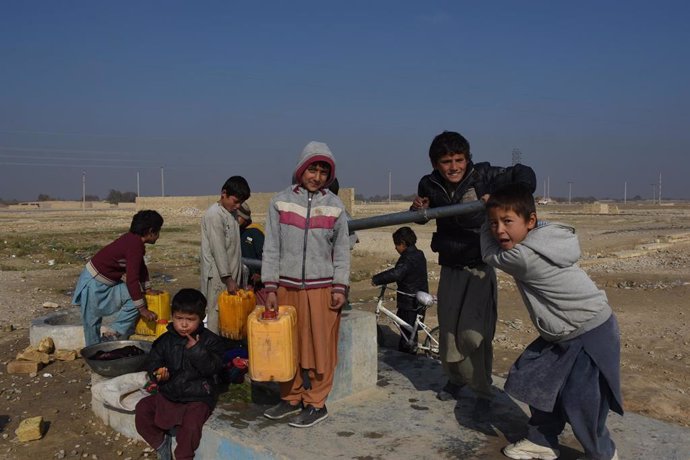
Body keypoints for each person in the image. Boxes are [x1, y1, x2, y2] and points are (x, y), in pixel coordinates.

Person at [481, 184, 622, 460]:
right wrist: (496, 214)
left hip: (590, 331)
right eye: (492, 223)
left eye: (507, 221)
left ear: (530, 222)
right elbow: (513, 230)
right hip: (564, 333)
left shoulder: (524, 256)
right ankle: (542, 440)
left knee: (582, 401)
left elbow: (488, 255)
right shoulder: (546, 236)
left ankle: (604, 454)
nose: (498, 231)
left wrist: (481, 217)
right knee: (533, 376)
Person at [410, 131, 536, 411]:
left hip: (480, 266)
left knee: (474, 334)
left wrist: (503, 197)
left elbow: (524, 173)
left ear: (468, 159)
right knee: (449, 333)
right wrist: (418, 207)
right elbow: (420, 215)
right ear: (435, 164)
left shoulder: (485, 175)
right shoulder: (428, 184)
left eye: (459, 159)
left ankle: (481, 390)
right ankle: (455, 379)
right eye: (446, 161)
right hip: (450, 265)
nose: (454, 167)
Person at [261, 141, 350, 428]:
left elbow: (342, 252)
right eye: (313, 168)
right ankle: (290, 397)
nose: (317, 176)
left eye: (324, 172)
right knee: (288, 345)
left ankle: (316, 403)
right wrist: (270, 287)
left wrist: (340, 287)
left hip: (322, 288)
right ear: (301, 169)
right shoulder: (280, 202)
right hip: (286, 288)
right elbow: (271, 247)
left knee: (322, 348)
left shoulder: (335, 206)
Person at [135, 288, 226, 460]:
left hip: (197, 397)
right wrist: (157, 374)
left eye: (190, 320)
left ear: (201, 319)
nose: (184, 324)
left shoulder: (211, 341)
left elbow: (214, 369)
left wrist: (197, 351)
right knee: (142, 409)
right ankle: (161, 445)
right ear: (172, 316)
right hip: (169, 393)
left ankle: (183, 457)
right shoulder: (164, 341)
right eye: (179, 318)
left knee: (191, 429)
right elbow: (154, 362)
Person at [72, 210, 163, 346]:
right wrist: (143, 310)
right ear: (151, 231)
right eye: (159, 231)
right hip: (93, 282)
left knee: (135, 301)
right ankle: (95, 353)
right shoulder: (134, 245)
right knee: (92, 322)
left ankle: (113, 333)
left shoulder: (134, 241)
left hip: (107, 283)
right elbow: (132, 279)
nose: (159, 236)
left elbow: (140, 266)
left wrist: (147, 289)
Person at [200, 176, 251, 333]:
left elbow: (233, 248)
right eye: (235, 201)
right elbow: (219, 249)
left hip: (231, 275)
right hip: (218, 276)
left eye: (240, 203)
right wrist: (228, 278)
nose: (237, 206)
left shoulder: (231, 213)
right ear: (224, 193)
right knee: (216, 312)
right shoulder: (214, 215)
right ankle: (213, 350)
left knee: (230, 314)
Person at [371, 226, 429, 354]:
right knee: (409, 328)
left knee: (406, 330)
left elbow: (397, 273)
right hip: (419, 296)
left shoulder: (407, 258)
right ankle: (410, 348)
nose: (395, 248)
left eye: (396, 245)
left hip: (409, 299)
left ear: (403, 244)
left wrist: (377, 279)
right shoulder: (419, 253)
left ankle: (407, 356)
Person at [236, 202, 267, 305]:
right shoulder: (238, 231)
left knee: (260, 308)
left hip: (258, 281)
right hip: (244, 279)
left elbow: (263, 254)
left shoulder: (255, 232)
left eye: (238, 216)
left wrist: (260, 273)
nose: (236, 219)